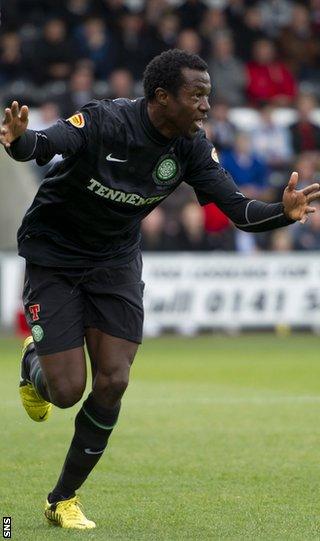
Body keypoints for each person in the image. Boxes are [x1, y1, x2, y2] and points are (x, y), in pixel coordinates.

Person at [1, 49, 319, 531]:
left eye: (207, 96)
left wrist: (282, 210)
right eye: (197, 96)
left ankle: (62, 498)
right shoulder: (107, 121)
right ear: (161, 96)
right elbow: (43, 145)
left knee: (114, 380)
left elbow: (237, 210)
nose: (206, 106)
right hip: (56, 255)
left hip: (114, 261)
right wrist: (20, 141)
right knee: (65, 392)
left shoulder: (191, 147)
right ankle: (34, 363)